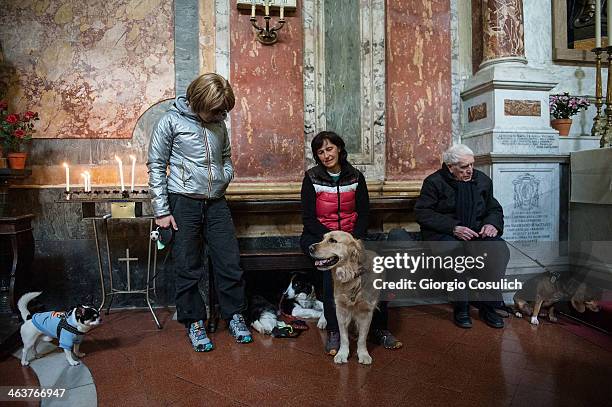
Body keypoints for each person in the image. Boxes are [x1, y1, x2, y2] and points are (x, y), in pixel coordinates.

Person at [147, 73, 252, 352]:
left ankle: (234, 315)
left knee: (229, 262)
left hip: (216, 201)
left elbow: (226, 155)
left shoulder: (218, 123)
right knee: (188, 265)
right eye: (216, 110)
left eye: (223, 111)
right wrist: (161, 211)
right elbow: (156, 166)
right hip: (183, 202)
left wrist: (225, 175)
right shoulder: (169, 121)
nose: (220, 115)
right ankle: (194, 321)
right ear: (197, 100)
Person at [300, 131, 402, 355]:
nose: (326, 155)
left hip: (351, 236)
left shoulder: (356, 176)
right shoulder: (312, 177)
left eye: (329, 149)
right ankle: (336, 330)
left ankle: (378, 327)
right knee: (332, 267)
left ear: (339, 149)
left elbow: (363, 213)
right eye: (320, 152)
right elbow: (308, 219)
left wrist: (353, 239)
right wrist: (333, 239)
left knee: (374, 268)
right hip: (320, 236)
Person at [415, 144, 509, 329]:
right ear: (450, 167)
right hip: (445, 234)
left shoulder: (483, 180)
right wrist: (453, 228)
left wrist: (492, 224)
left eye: (472, 165)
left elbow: (494, 209)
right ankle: (461, 307)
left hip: (476, 232)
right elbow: (422, 213)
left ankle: (488, 307)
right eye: (464, 167)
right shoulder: (434, 182)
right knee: (454, 253)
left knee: (498, 251)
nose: (470, 170)